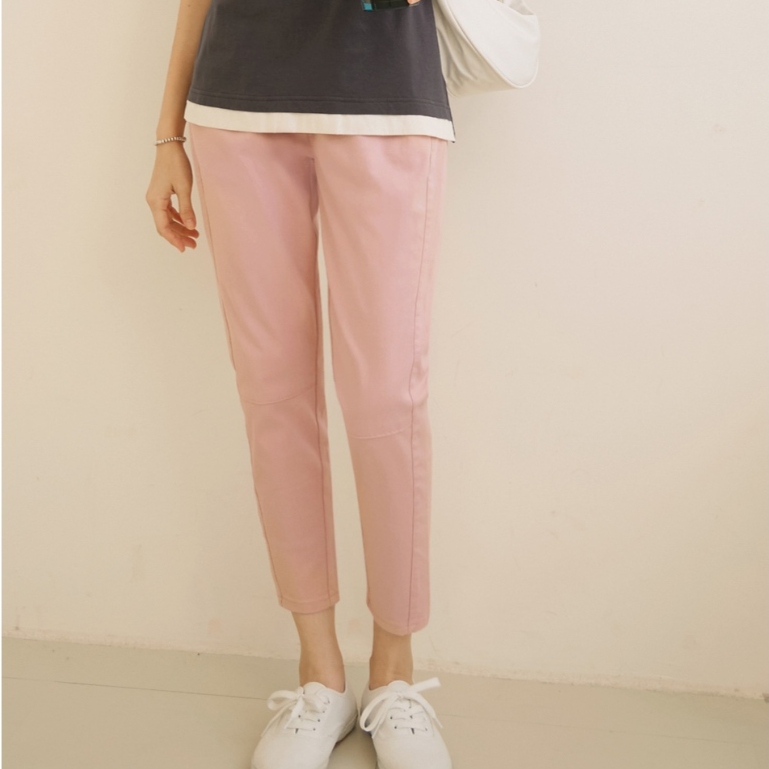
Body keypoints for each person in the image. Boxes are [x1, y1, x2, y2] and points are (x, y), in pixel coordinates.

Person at [145, 0, 455, 767]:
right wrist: (167, 134)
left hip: (387, 101)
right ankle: (319, 675)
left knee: (387, 396)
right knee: (272, 393)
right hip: (235, 105)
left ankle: (394, 674)